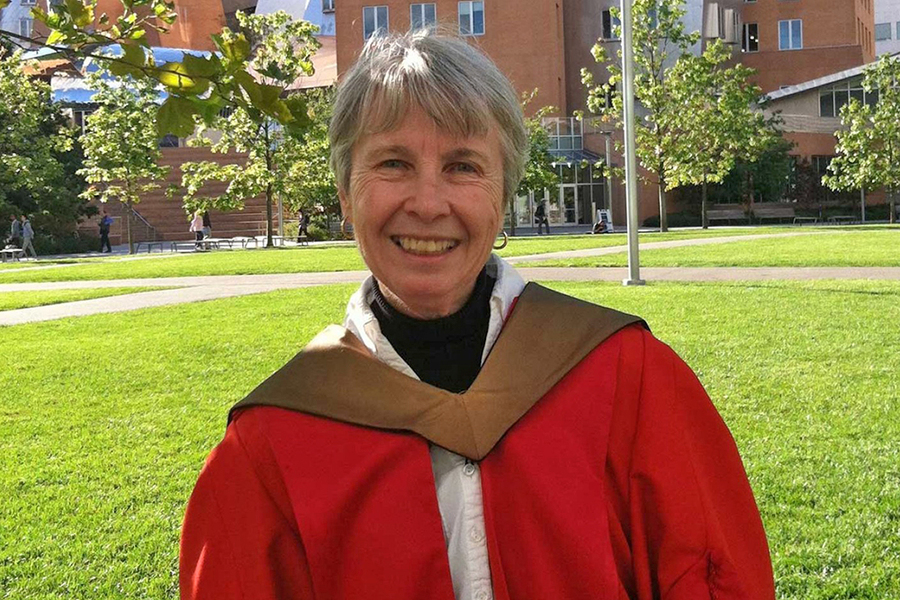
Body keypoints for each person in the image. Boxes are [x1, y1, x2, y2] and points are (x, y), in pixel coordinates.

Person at [180, 31, 775, 600]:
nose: (428, 203)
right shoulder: (271, 444)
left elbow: (713, 575)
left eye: (463, 166)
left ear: (503, 191)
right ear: (345, 193)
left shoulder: (628, 377)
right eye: (392, 163)